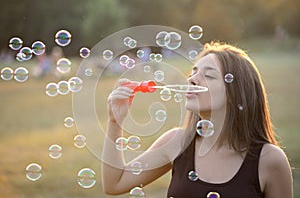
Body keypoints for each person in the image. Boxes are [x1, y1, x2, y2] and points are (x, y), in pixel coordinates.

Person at [102, 41, 293, 197]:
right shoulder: (177, 143)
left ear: (237, 93)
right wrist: (115, 123)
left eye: (208, 75)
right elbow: (114, 183)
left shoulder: (269, 160)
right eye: (192, 73)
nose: (191, 80)